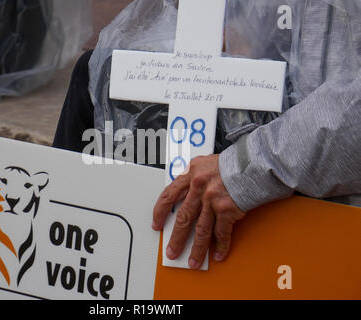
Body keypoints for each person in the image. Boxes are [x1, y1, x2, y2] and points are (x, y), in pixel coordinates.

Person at [53, 0, 361, 270]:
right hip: (268, 97)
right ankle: (62, 245)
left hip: (319, 157)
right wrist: (242, 27)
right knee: (95, 77)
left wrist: (248, 166)